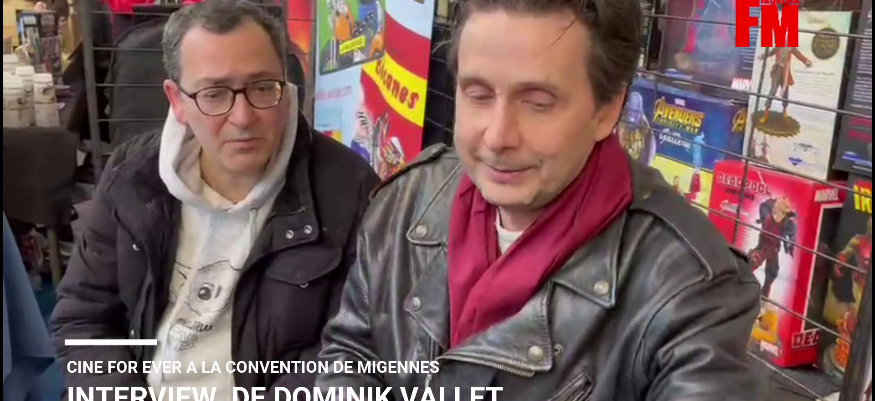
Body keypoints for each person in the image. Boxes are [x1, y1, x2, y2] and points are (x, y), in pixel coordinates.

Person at [316, 0, 762, 399]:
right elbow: (350, 354)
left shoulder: (691, 290)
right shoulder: (404, 202)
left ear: (608, 108)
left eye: (537, 103)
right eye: (478, 95)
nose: (497, 137)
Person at [50, 1, 380, 399]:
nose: (242, 118)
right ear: (176, 100)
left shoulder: (350, 190)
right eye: (214, 93)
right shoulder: (131, 177)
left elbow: (354, 350)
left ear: (287, 85)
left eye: (262, 87)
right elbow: (83, 319)